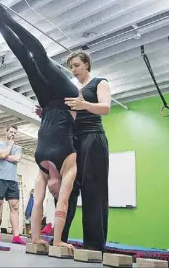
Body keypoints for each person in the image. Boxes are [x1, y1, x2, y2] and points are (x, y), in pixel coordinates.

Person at [0, 2, 79, 251]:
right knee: (42, 61)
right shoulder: (69, 166)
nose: (55, 190)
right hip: (68, 98)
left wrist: (37, 240)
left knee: (27, 61)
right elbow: (64, 203)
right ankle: (9, 20)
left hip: (48, 104)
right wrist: (58, 242)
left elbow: (39, 205)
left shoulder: (44, 170)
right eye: (56, 190)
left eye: (53, 190)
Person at [36, 50, 111, 251]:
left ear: (87, 64)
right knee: (65, 192)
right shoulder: (70, 88)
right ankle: (59, 238)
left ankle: (94, 246)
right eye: (71, 66)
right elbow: (64, 113)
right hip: (71, 140)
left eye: (77, 65)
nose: (74, 70)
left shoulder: (99, 83)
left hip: (93, 138)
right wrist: (46, 112)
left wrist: (83, 104)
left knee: (93, 191)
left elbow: (105, 108)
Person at [0, 125, 26, 245]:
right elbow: (1, 155)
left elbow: (17, 159)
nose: (13, 134)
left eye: (15, 133)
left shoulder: (18, 148)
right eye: (11, 131)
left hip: (12, 180)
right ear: (6, 132)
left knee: (15, 207)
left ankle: (16, 236)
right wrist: (8, 148)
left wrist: (4, 156)